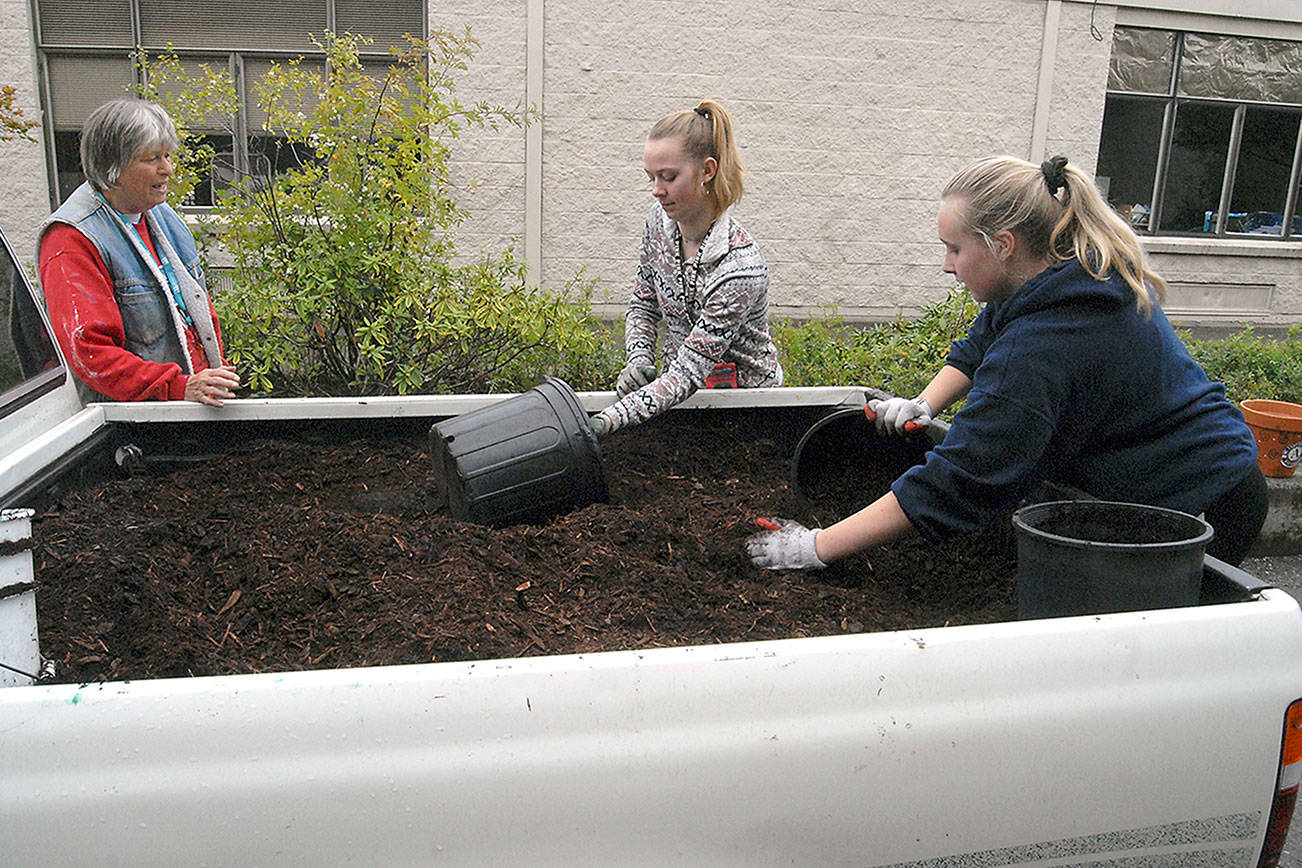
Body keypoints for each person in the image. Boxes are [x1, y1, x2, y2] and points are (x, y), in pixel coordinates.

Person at [748, 154, 1267, 570]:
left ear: (1003, 245)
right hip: (1170, 472)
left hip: (1200, 495)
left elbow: (963, 478)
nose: (946, 266)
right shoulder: (1063, 273)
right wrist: (922, 404)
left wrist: (815, 547)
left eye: (954, 249)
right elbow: (980, 341)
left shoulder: (1043, 347)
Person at [588, 100, 781, 436]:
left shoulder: (740, 269)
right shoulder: (658, 224)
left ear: (707, 170)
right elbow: (643, 305)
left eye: (669, 177)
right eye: (651, 177)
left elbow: (688, 373)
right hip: (678, 403)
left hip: (749, 416)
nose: (656, 191)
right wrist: (639, 360)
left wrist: (604, 421)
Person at [36, 98, 239, 406]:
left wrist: (211, 372)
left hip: (185, 412)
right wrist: (177, 386)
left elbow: (197, 307)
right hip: (130, 428)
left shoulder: (162, 216)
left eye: (168, 155)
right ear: (112, 168)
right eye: (152, 159)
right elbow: (90, 352)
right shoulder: (70, 239)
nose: (167, 169)